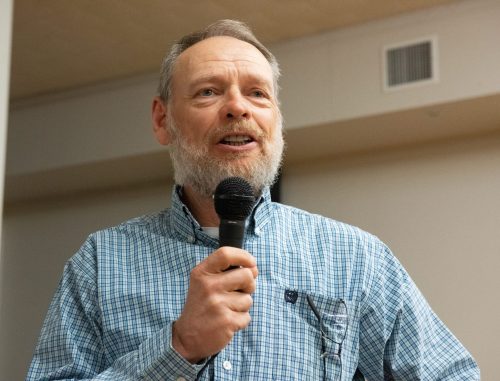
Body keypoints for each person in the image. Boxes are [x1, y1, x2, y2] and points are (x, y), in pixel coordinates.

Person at [27, 19, 480, 380]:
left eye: (257, 93)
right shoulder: (99, 262)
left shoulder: (357, 256)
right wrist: (178, 347)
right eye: (208, 91)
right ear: (163, 120)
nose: (237, 107)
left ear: (276, 120)